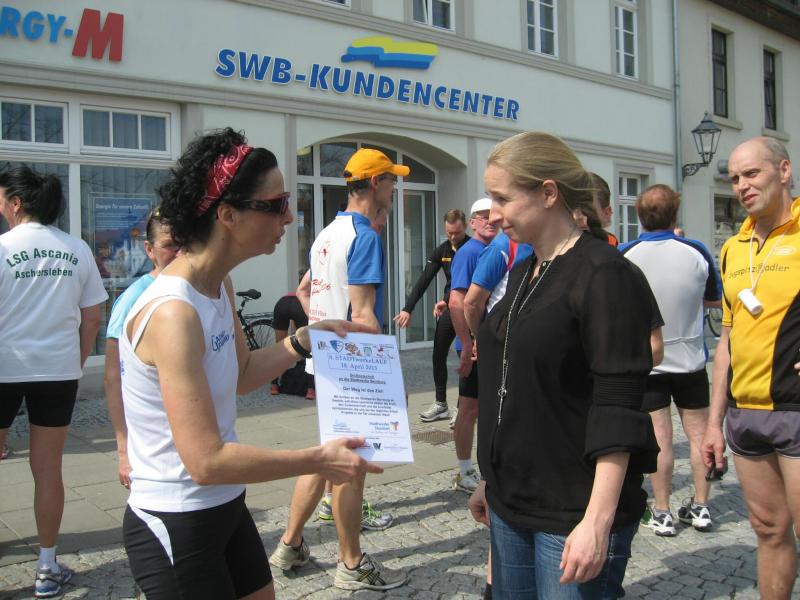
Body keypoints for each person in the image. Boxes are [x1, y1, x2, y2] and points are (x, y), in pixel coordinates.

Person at [118, 128, 380, 599]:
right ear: (228, 215)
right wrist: (319, 459)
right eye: (277, 204)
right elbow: (206, 461)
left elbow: (240, 376)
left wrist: (304, 340)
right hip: (176, 516)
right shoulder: (174, 312)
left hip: (226, 503)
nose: (290, 216)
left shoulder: (218, 284)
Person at [468, 132, 659, 598]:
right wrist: (492, 479)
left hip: (573, 508)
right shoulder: (525, 270)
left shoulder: (604, 273)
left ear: (548, 193)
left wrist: (597, 520)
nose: (493, 214)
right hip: (512, 501)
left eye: (502, 198)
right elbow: (510, 380)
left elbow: (618, 403)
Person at [270, 148, 408, 591]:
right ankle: (351, 564)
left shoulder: (326, 233)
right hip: (353, 366)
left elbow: (303, 291)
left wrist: (321, 325)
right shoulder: (364, 236)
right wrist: (389, 380)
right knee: (350, 463)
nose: (395, 187)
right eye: (391, 179)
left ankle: (290, 544)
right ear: (374, 183)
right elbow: (364, 317)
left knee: (327, 453)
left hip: (325, 359)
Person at [0, 166, 108, 598]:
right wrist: (75, 363)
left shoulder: (2, 248)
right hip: (58, 371)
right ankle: (47, 566)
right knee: (48, 469)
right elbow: (92, 317)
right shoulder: (76, 248)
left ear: (16, 202)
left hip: (4, 368)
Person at [702, 137, 800, 600]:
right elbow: (727, 339)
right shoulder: (732, 248)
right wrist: (713, 423)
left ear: (783, 170)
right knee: (767, 529)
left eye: (752, 174)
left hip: (795, 407)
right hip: (745, 415)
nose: (741, 185)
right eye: (735, 177)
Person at [620, 184, 722, 537]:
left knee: (660, 440)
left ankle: (662, 511)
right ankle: (702, 505)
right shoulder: (695, 250)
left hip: (649, 361)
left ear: (638, 215)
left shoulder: (626, 254)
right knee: (699, 437)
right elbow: (714, 299)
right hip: (690, 360)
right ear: (675, 213)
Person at [104, 209, 180, 490]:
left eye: (184, 243)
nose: (178, 252)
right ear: (149, 249)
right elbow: (113, 378)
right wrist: (123, 451)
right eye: (169, 245)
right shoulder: (134, 298)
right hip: (151, 440)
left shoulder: (196, 290)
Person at [394, 209, 470, 423]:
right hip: (450, 307)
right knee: (438, 354)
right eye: (449, 233)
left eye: (457, 232)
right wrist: (407, 308)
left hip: (469, 308)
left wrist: (445, 299)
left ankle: (462, 408)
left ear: (465, 227)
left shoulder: (472, 248)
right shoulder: (443, 250)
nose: (453, 237)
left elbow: (469, 281)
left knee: (465, 356)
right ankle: (441, 404)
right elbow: (423, 280)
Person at [448, 198, 497, 493]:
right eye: (483, 216)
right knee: (469, 408)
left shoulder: (492, 249)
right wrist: (468, 343)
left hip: (484, 341)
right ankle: (465, 471)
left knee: (482, 406)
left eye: (493, 215)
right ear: (473, 222)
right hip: (474, 343)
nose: (489, 220)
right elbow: (457, 302)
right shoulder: (470, 252)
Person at [270, 291, 314, 399]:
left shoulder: (297, 291)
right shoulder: (309, 296)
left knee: (279, 348)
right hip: (299, 306)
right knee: (308, 349)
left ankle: (274, 385)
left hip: (282, 304)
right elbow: (297, 333)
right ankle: (310, 390)